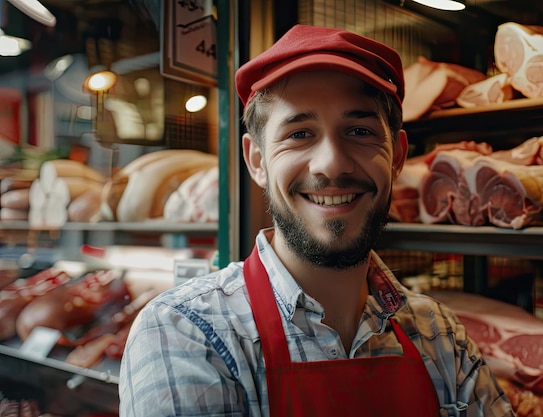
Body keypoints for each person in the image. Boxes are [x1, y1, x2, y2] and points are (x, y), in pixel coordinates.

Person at [119, 24, 516, 417]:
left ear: (396, 156)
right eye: (299, 134)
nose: (332, 164)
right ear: (257, 160)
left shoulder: (439, 333)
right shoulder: (187, 333)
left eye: (359, 131)